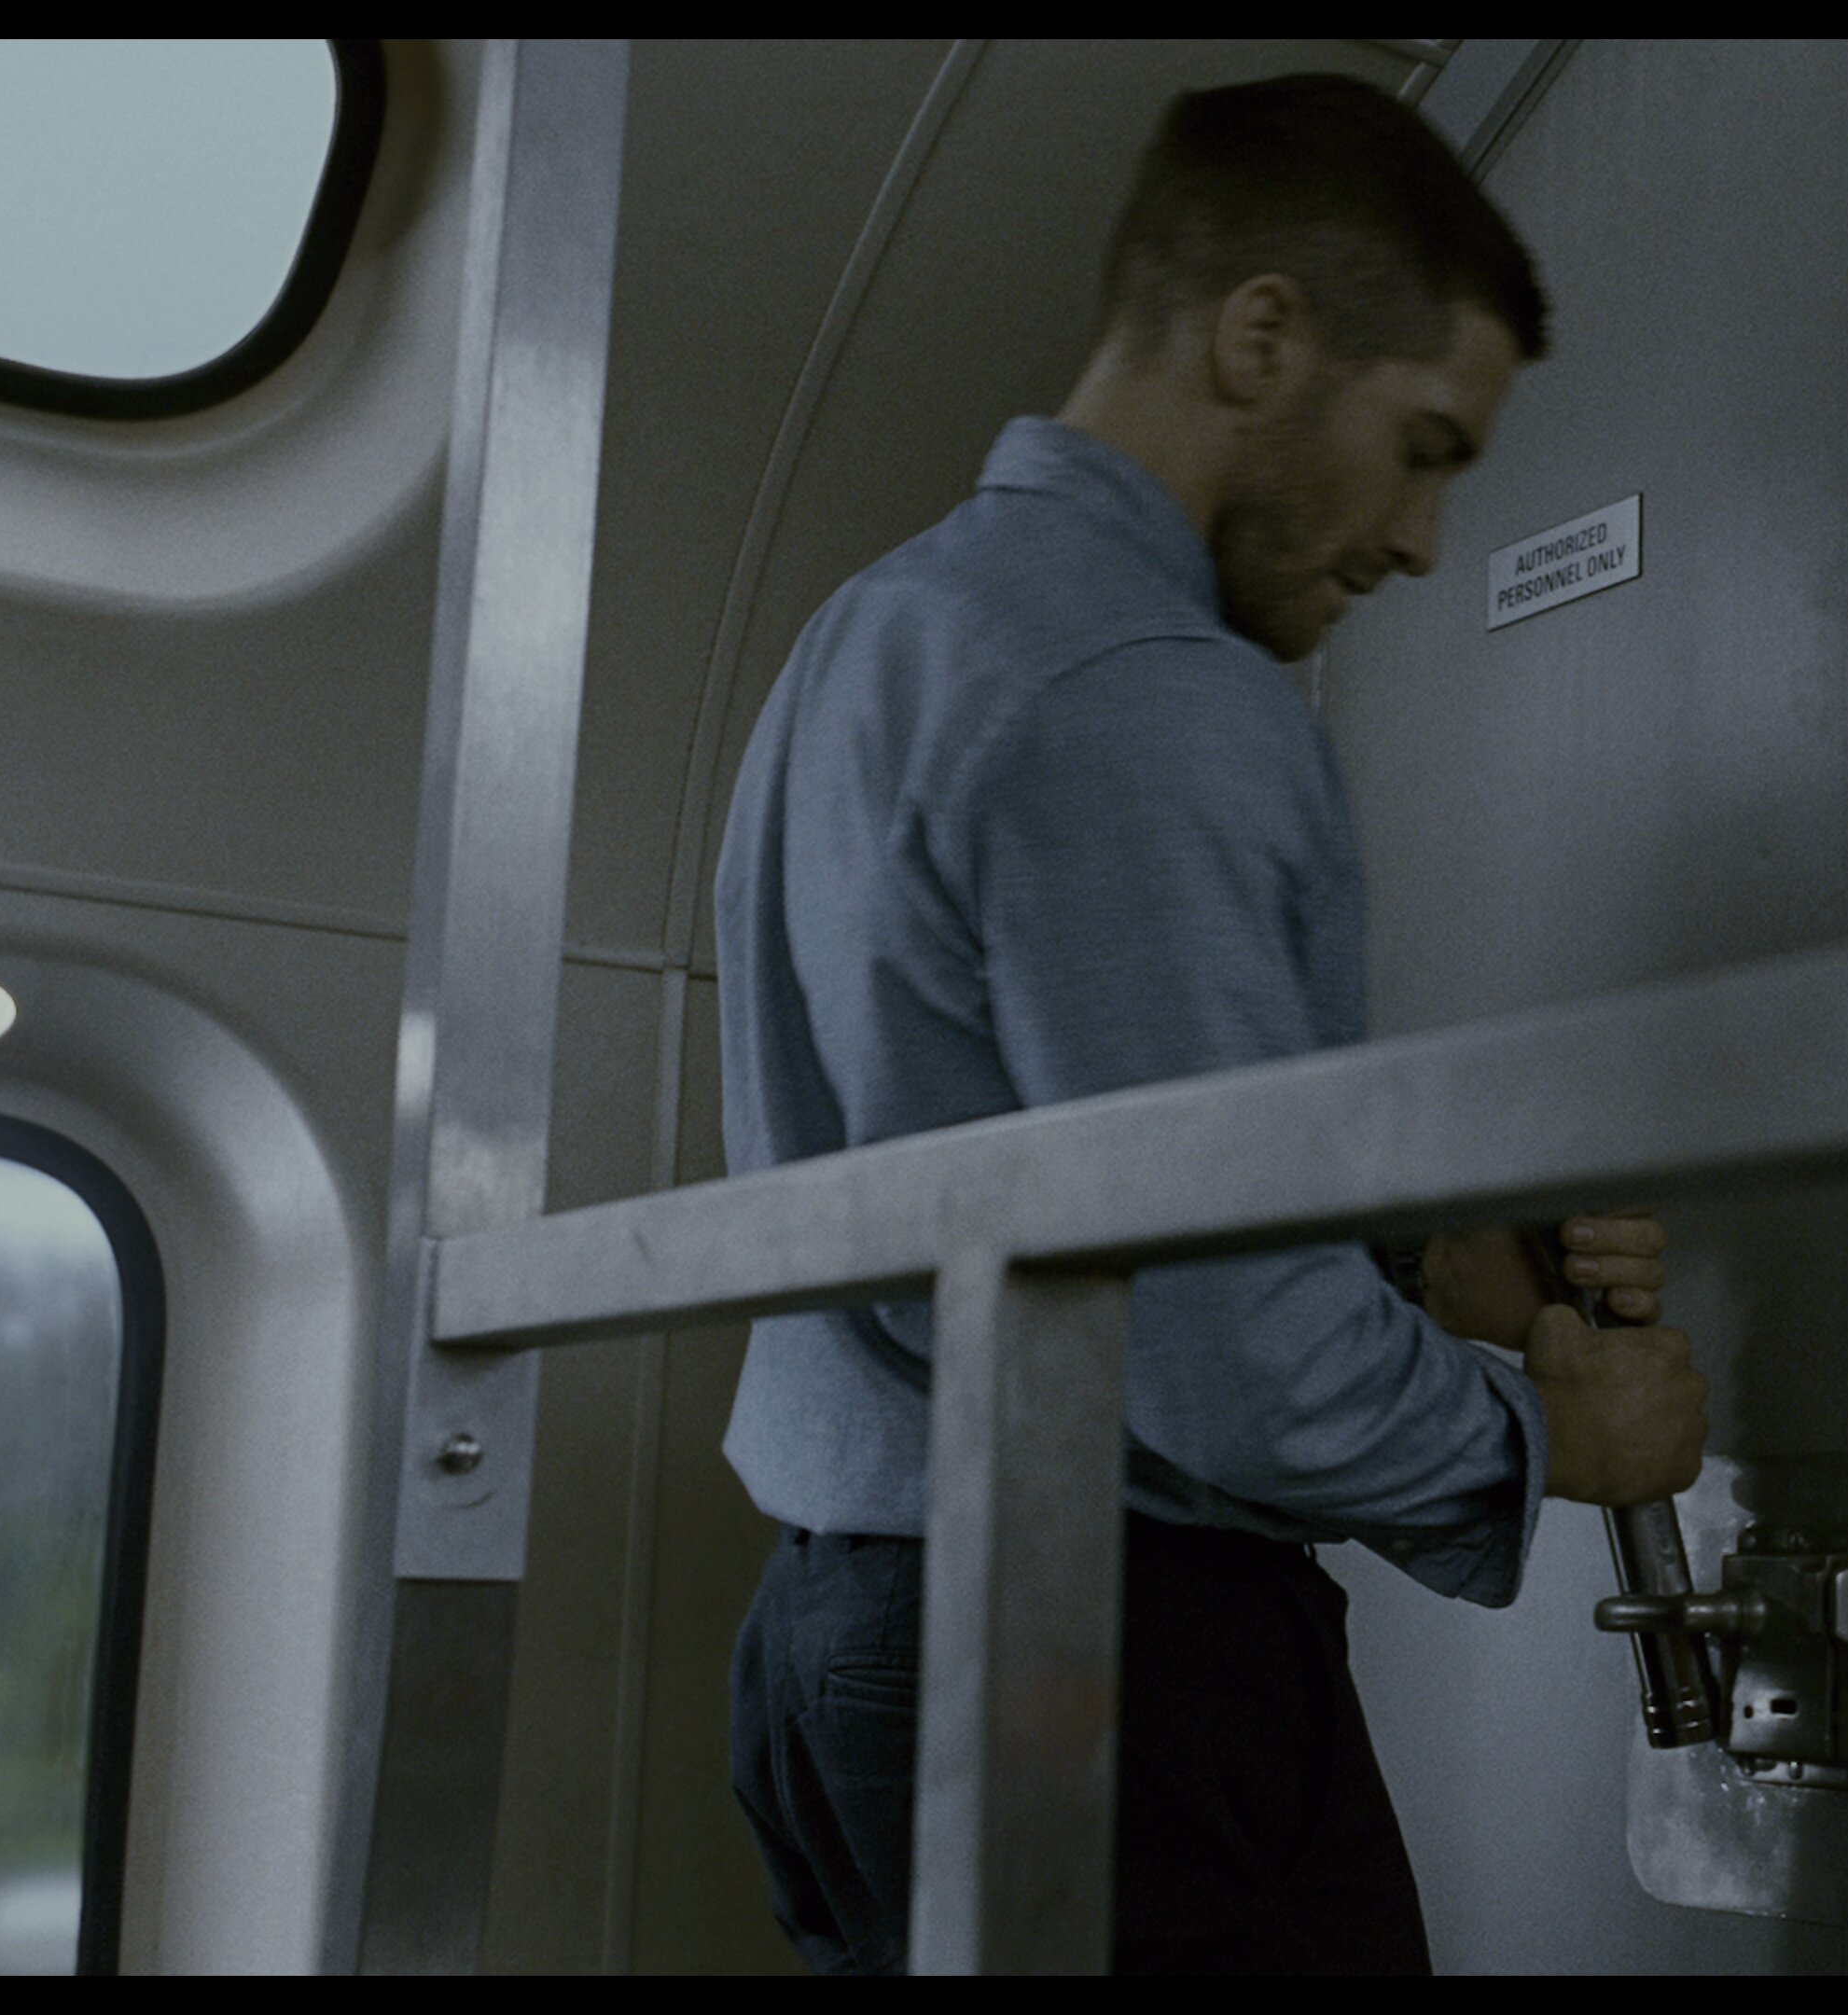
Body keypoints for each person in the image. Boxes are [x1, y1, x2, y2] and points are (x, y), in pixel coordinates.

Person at [712, 73, 1713, 1974]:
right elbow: (1227, 1356)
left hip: (842, 1647)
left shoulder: (874, 632)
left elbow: (1024, 1163)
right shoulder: (1150, 687)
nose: (1424, 539)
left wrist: (1419, 1265)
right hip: (1096, 1661)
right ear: (1261, 337)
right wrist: (1553, 1436)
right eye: (1421, 449)